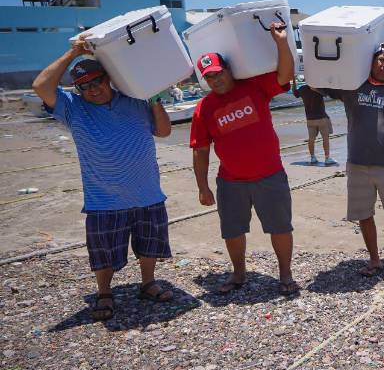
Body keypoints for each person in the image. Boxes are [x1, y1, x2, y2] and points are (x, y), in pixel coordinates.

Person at [32, 35, 174, 321]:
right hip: (104, 199)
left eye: (97, 81)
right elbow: (40, 86)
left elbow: (163, 132)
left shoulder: (134, 100)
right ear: (78, 89)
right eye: (84, 86)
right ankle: (104, 293)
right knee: (103, 253)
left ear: (108, 79)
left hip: (148, 192)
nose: (92, 89)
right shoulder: (72, 107)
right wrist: (72, 52)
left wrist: (156, 100)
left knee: (150, 245)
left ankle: (148, 283)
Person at [190, 23, 299, 295]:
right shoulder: (203, 108)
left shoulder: (253, 86)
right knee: (232, 231)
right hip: (230, 182)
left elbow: (286, 74)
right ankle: (238, 274)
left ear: (228, 70)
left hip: (270, 175)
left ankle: (285, 275)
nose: (214, 80)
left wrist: (281, 42)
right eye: (209, 77)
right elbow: (200, 150)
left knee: (281, 227)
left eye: (217, 73)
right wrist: (202, 186)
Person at [320, 43, 384, 277]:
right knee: (364, 215)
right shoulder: (353, 86)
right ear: (372, 61)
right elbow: (321, 84)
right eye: (381, 60)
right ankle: (374, 260)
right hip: (357, 164)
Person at [291, 77, 336, 165]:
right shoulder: (318, 88)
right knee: (325, 139)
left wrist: (293, 81)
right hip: (321, 118)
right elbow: (327, 94)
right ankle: (327, 158)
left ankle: (312, 157)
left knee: (311, 139)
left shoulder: (303, 89)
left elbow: (295, 93)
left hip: (310, 119)